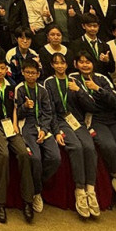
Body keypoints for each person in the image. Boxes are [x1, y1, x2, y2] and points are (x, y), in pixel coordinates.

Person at [70, 51, 116, 215]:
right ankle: (115, 174)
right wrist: (99, 100)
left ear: (93, 64)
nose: (85, 65)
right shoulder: (74, 79)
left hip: (114, 119)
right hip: (94, 120)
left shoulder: (102, 78)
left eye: (88, 62)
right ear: (76, 64)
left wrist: (98, 89)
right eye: (81, 62)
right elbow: (89, 106)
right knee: (110, 147)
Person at [0, 52, 34, 224]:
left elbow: (15, 108)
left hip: (10, 124)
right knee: (3, 155)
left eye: (2, 68)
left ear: (6, 69)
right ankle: (0, 203)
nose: (0, 71)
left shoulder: (12, 86)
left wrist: (16, 124)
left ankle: (28, 201)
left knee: (23, 153)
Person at [43, 52, 98, 218]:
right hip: (61, 122)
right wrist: (56, 131)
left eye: (62, 63)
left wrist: (79, 91)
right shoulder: (49, 82)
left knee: (89, 147)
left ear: (67, 65)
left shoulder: (75, 81)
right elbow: (49, 110)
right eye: (56, 63)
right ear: (52, 65)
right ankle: (80, 190)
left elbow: (91, 106)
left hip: (78, 121)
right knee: (76, 147)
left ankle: (90, 190)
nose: (60, 66)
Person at [16, 58, 60, 215]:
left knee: (55, 158)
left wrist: (44, 129)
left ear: (38, 74)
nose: (30, 75)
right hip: (27, 126)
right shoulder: (20, 89)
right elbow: (16, 113)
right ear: (22, 73)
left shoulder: (42, 90)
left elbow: (48, 112)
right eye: (27, 72)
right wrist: (24, 106)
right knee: (35, 159)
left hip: (42, 125)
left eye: (33, 73)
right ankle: (37, 192)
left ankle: (38, 181)